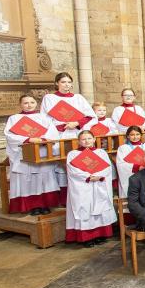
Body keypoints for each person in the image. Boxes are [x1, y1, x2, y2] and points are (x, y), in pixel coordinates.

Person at [40, 72, 95, 200]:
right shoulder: (49, 98)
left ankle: (83, 194)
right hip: (59, 135)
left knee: (80, 162)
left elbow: (91, 116)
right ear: (56, 83)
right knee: (62, 165)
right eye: (63, 82)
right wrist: (59, 127)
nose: (67, 85)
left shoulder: (78, 98)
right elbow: (44, 119)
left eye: (69, 82)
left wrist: (76, 123)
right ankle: (64, 197)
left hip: (77, 134)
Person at [4, 95, 61, 215]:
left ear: (36, 103)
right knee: (28, 180)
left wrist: (43, 139)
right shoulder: (14, 118)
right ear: (20, 104)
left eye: (31, 102)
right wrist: (28, 139)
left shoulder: (44, 117)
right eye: (25, 103)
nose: (29, 105)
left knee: (43, 178)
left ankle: (45, 204)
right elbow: (9, 136)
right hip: (24, 153)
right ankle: (33, 206)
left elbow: (53, 133)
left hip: (42, 151)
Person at [65, 130, 116, 247]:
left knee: (100, 207)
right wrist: (88, 176)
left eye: (89, 138)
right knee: (84, 209)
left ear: (94, 139)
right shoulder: (73, 154)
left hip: (98, 184)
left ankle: (100, 234)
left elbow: (107, 168)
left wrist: (99, 176)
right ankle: (87, 237)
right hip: (83, 186)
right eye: (83, 139)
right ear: (78, 141)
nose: (86, 141)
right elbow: (73, 170)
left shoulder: (101, 152)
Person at [115, 126, 145, 198]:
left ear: (141, 135)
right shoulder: (123, 148)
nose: (135, 137)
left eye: (137, 134)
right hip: (131, 174)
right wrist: (137, 167)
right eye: (132, 135)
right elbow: (120, 164)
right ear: (127, 136)